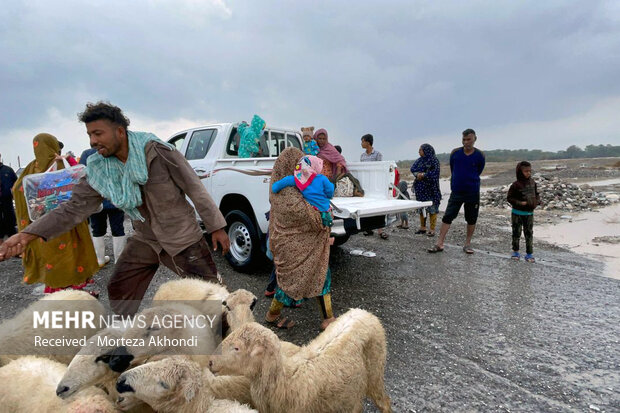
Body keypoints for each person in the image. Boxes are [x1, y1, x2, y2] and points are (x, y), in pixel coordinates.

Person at [0, 102, 230, 316]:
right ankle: (126, 338)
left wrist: (216, 227)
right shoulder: (100, 169)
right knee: (120, 286)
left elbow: (193, 185)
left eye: (98, 133)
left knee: (213, 298)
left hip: (182, 237)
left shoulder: (157, 151)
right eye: (89, 134)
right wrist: (27, 235)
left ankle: (229, 340)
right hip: (146, 238)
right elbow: (72, 209)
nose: (92, 141)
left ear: (120, 132)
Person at [10, 133, 100, 295]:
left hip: (44, 225)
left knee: (53, 259)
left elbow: (17, 189)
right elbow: (80, 175)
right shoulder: (61, 164)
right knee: (72, 255)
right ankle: (74, 292)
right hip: (68, 223)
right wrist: (69, 161)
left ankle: (57, 291)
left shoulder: (31, 167)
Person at [265, 148, 336, 330]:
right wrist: (325, 217)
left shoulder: (295, 183)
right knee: (289, 282)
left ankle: (328, 317)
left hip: (313, 245)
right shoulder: (286, 192)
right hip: (292, 247)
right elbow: (307, 215)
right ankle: (272, 315)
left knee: (322, 276)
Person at [428, 129, 485, 254]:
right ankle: (439, 243)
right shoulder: (455, 153)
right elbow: (453, 169)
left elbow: (479, 170)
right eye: (464, 139)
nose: (466, 142)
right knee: (448, 216)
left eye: (468, 139)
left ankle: (467, 244)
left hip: (472, 192)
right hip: (457, 192)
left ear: (475, 139)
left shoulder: (480, 155)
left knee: (471, 218)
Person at [79, 147, 127, 266]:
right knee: (118, 228)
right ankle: (119, 260)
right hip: (116, 198)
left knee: (97, 229)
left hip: (95, 200)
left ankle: (100, 259)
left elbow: (81, 175)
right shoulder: (115, 151)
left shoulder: (87, 154)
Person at [271, 155, 335, 227]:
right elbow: (330, 192)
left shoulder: (297, 179)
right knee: (325, 227)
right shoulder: (322, 178)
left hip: (311, 210)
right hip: (324, 210)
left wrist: (274, 188)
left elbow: (276, 186)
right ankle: (328, 237)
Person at [507, 161, 540, 263]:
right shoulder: (515, 185)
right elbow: (509, 198)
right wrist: (520, 203)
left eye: (530, 171)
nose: (528, 173)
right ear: (520, 172)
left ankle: (529, 254)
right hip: (517, 213)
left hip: (529, 214)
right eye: (526, 171)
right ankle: (516, 252)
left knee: (529, 233)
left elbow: (537, 194)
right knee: (516, 233)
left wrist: (537, 201)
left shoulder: (533, 183)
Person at [360, 133, 388, 239]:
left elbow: (380, 169)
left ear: (368, 142)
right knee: (367, 205)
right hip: (366, 184)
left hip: (376, 184)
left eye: (362, 141)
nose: (361, 144)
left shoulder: (377, 155)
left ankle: (381, 230)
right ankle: (369, 228)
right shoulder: (362, 156)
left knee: (378, 206)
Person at [410, 144, 442, 236]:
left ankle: (432, 229)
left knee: (432, 208)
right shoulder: (419, 161)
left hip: (432, 189)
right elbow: (412, 169)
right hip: (421, 189)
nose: (419, 151)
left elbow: (435, 173)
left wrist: (423, 175)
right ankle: (422, 227)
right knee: (422, 208)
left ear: (426, 150)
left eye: (421, 150)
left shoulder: (434, 160)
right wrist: (417, 175)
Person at [0, 154, 18, 244]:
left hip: (7, 202)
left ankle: (14, 247)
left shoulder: (8, 170)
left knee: (11, 224)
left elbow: (17, 184)